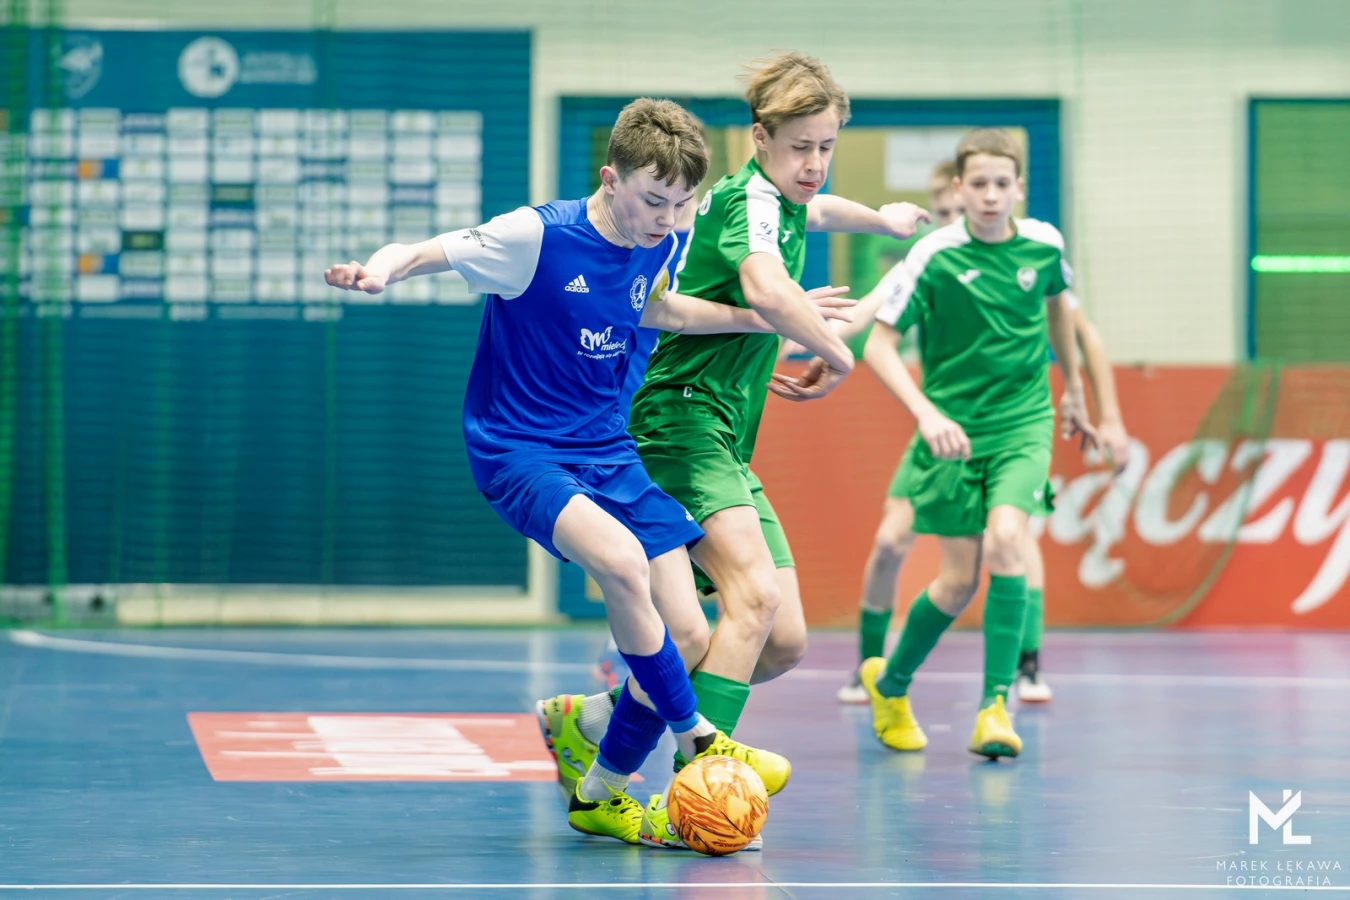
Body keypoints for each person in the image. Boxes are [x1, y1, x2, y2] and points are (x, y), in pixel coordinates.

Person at [325, 97, 851, 843]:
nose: (667, 218)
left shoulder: (665, 238)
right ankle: (700, 740)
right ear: (611, 179)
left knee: (688, 636)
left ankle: (600, 791)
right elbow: (418, 251)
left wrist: (763, 319)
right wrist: (377, 272)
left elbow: (661, 311)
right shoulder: (535, 237)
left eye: (681, 203)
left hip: (607, 449)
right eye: (653, 200)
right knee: (624, 564)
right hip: (521, 450)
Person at [537, 51, 929, 849]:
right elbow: (765, 288)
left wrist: (881, 222)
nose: (814, 163)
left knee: (779, 641)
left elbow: (818, 211)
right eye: (800, 147)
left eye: (827, 146)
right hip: (680, 420)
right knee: (750, 598)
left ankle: (594, 720)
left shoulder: (782, 199)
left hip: (722, 437)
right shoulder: (749, 200)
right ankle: (695, 792)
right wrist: (838, 351)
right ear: (760, 138)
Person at [812, 127, 1094, 760]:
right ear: (959, 189)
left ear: (1019, 188)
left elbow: (1060, 310)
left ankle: (996, 706)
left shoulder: (1045, 246)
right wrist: (926, 413)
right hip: (954, 434)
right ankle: (890, 684)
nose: (991, 195)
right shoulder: (933, 255)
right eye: (980, 184)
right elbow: (879, 342)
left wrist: (1073, 390)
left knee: (1007, 540)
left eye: (1002, 184)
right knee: (956, 582)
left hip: (1024, 424)